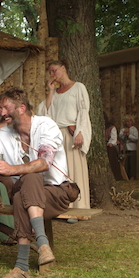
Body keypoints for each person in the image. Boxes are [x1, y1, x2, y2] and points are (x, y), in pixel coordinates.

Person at [0, 87, 78, 278]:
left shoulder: (46, 126)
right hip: (27, 191)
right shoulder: (3, 134)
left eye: (6, 108)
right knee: (28, 182)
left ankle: (22, 266)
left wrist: (11, 169)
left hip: (55, 192)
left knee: (26, 187)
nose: (1, 112)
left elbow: (44, 163)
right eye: (0, 108)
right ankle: (42, 244)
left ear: (22, 108)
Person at [37, 59, 92, 208]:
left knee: (74, 170)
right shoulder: (53, 93)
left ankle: (78, 208)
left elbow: (83, 111)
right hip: (56, 136)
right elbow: (45, 112)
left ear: (63, 68)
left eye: (54, 70)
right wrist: (50, 91)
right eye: (50, 72)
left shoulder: (78, 87)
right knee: (59, 171)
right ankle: (61, 207)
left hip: (71, 135)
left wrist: (80, 132)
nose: (52, 74)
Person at [118, 115, 139, 180]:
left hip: (132, 148)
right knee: (126, 162)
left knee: (132, 163)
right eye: (127, 121)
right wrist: (124, 134)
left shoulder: (134, 129)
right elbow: (120, 137)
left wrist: (129, 135)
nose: (129, 123)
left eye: (130, 121)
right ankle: (126, 176)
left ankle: (132, 176)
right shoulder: (123, 130)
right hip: (125, 148)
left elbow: (136, 138)